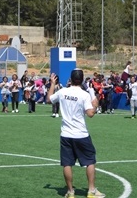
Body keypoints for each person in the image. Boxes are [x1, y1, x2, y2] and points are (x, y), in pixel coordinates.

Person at [47, 69, 105, 198]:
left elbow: (49, 99)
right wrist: (95, 105)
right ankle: (91, 190)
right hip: (81, 134)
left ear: (71, 79)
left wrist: (52, 83)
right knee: (90, 161)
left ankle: (70, 192)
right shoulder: (84, 95)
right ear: (82, 80)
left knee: (67, 163)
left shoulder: (63, 92)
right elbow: (90, 114)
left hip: (66, 134)